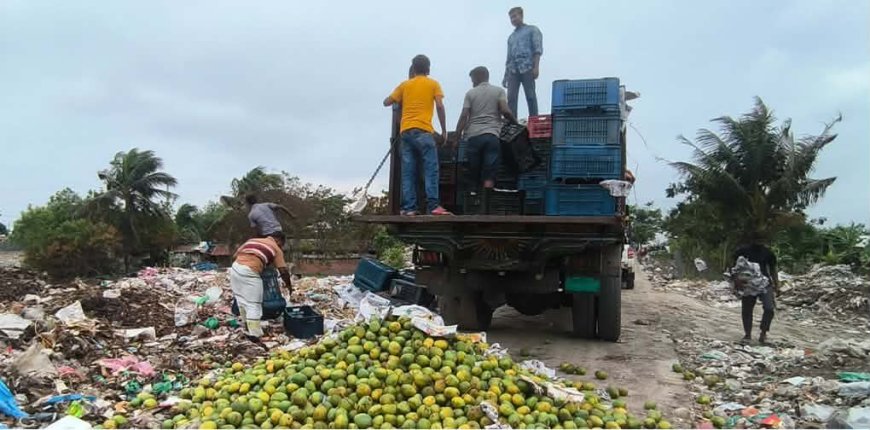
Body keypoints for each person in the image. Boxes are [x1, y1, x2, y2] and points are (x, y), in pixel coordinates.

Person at [383, 55, 452, 216]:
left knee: (408, 171)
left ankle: (409, 208)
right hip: (423, 131)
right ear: (428, 69)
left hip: (405, 132)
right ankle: (433, 206)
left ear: (413, 69)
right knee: (430, 169)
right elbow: (440, 107)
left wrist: (396, 99)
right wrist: (443, 131)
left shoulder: (404, 85)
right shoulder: (433, 84)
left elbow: (387, 101)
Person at [452, 66, 518, 192]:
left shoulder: (470, 93)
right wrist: (516, 123)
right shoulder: (498, 91)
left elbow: (464, 116)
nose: (472, 83)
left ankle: (473, 199)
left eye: (473, 79)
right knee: (489, 171)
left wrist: (456, 138)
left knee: (474, 171)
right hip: (492, 135)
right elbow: (505, 111)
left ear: (478, 77)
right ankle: (486, 200)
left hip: (473, 136)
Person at [230, 232, 293, 340]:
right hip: (249, 272)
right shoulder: (276, 248)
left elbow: (235, 256)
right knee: (254, 304)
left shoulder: (252, 241)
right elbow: (283, 270)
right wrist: (289, 286)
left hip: (235, 269)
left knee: (241, 300)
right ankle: (255, 335)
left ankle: (246, 326)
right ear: (279, 241)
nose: (281, 247)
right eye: (281, 245)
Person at [732, 240, 780, 344]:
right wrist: (736, 281)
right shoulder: (742, 251)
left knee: (769, 308)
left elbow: (773, 269)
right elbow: (735, 267)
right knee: (747, 310)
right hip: (748, 284)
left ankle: (763, 333)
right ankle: (747, 335)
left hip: (764, 283)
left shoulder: (768, 253)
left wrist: (776, 284)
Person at [502, 6, 543, 117]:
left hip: (527, 67)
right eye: (511, 18)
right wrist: (505, 76)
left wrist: (536, 67)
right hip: (513, 70)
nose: (513, 19)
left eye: (515, 16)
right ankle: (513, 122)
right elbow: (509, 57)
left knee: (530, 95)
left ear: (521, 15)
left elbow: (537, 50)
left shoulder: (532, 30)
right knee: (511, 98)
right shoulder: (511, 37)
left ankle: (534, 118)